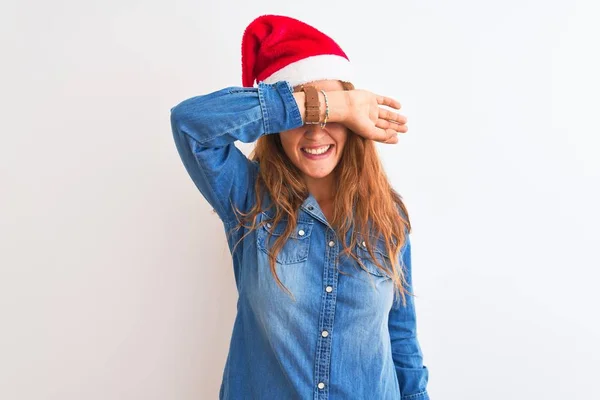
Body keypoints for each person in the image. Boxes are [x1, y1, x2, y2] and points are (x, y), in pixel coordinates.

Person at [170, 14, 430, 400]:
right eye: (307, 113)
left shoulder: (386, 216)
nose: (315, 131)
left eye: (333, 117)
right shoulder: (247, 199)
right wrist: (333, 103)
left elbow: (401, 337)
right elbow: (191, 124)